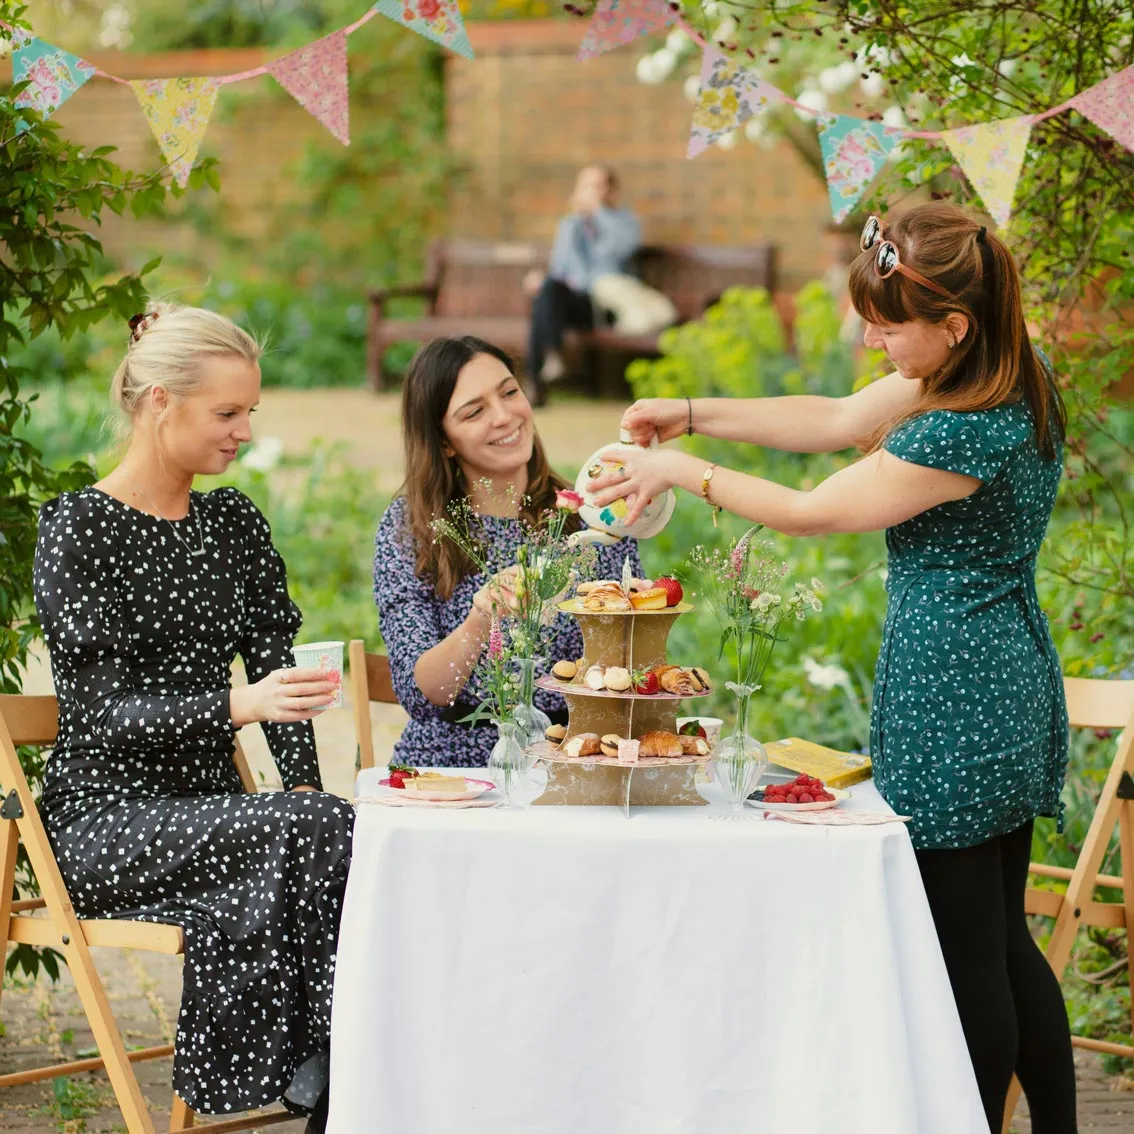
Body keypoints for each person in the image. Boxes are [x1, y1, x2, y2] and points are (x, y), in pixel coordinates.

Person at [588, 202, 1077, 1133]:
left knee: (965, 956)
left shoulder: (960, 424)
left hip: (958, 694)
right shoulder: (1003, 374)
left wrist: (675, 473)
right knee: (1003, 940)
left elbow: (814, 509)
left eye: (886, 324)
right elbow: (836, 418)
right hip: (1000, 671)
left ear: (953, 325)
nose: (868, 335)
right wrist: (691, 414)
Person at [32, 304, 352, 1133]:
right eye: (228, 413)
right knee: (314, 830)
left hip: (219, 815)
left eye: (252, 412)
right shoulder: (80, 528)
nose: (245, 431)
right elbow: (100, 717)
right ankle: (332, 1073)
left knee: (343, 827)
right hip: (107, 822)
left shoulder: (232, 523)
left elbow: (278, 670)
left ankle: (333, 1075)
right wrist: (237, 705)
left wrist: (312, 793)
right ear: (159, 402)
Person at [373, 335, 641, 767]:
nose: (505, 417)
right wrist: (482, 618)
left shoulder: (590, 517)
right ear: (443, 441)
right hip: (451, 767)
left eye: (510, 392)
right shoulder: (413, 528)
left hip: (577, 757)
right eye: (474, 411)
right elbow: (422, 695)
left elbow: (632, 657)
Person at [524, 165, 641, 404]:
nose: (591, 192)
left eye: (597, 186)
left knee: (544, 304)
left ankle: (539, 376)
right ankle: (552, 357)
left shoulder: (624, 221)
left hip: (603, 302)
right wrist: (541, 278)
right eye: (586, 186)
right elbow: (560, 268)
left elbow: (616, 253)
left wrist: (599, 212)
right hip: (574, 301)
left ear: (611, 192)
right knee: (546, 291)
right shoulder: (571, 224)